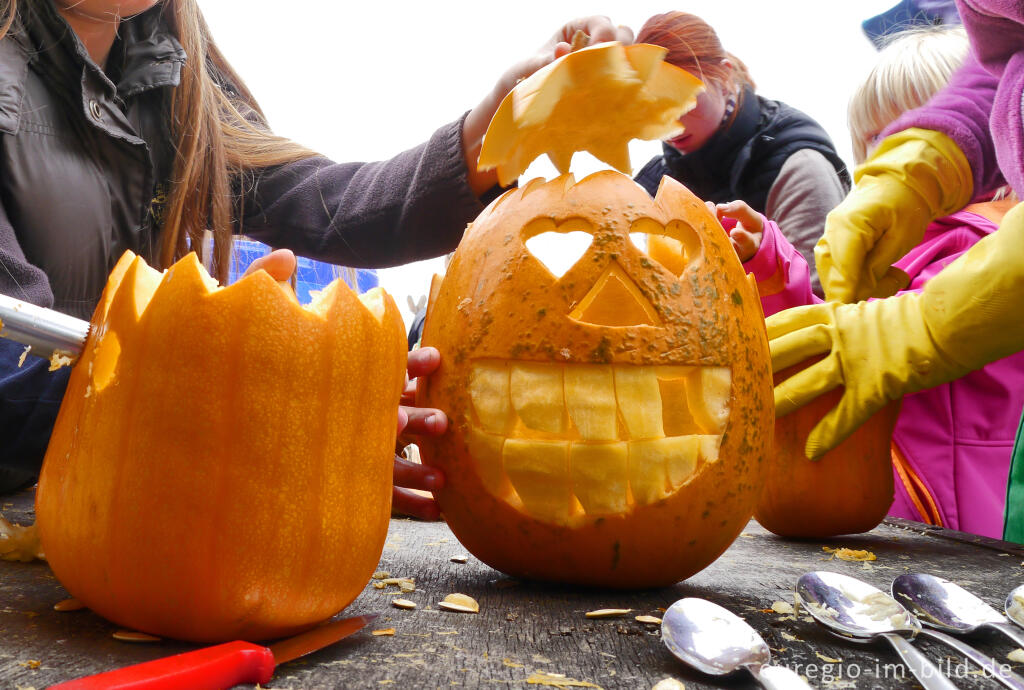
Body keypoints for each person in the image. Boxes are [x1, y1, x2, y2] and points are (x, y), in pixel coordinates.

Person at [0, 0, 631, 520]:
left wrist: (498, 127)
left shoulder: (178, 73)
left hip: (117, 501)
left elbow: (324, 205)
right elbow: (12, 352)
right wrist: (268, 418)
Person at [766, 2, 1024, 541]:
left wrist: (925, 325)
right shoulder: (896, 244)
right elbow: (836, 347)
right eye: (876, 140)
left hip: (988, 518)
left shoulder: (981, 237)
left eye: (902, 128)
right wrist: (768, 269)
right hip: (904, 515)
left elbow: (897, 337)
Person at [632, 10, 850, 296]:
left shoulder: (797, 167)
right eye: (650, 105)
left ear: (722, 74)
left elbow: (821, 299)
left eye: (681, 98)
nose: (670, 124)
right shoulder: (657, 187)